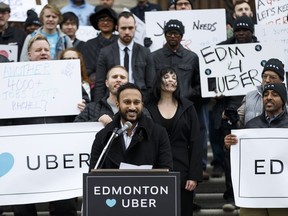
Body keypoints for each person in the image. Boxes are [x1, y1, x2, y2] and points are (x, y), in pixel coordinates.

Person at [10, 34, 78, 216]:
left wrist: (82, 105)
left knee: (64, 202)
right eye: (38, 50)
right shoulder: (13, 80)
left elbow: (81, 105)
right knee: (23, 202)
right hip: (25, 151)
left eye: (46, 50)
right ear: (29, 54)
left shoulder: (66, 76)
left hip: (58, 151)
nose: (43, 53)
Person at [209, 15, 259, 212]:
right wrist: (216, 91)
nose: (241, 33)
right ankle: (231, 195)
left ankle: (253, 194)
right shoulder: (220, 50)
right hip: (228, 112)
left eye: (245, 30)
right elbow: (210, 80)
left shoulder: (260, 49)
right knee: (230, 157)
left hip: (256, 111)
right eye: (238, 30)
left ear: (251, 32)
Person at [224, 83, 288, 216]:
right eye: (265, 94)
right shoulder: (251, 125)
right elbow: (244, 161)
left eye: (274, 95)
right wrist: (229, 145)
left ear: (284, 99)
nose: (268, 98)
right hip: (254, 197)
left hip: (283, 198)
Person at [146, 67, 202, 216]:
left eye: (174, 77)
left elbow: (196, 141)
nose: (171, 80)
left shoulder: (188, 107)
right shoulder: (147, 107)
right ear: (158, 80)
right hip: (155, 171)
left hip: (183, 171)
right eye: (167, 76)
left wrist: (194, 175)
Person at [89, 82, 173, 171]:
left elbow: (166, 174)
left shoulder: (159, 134)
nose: (132, 107)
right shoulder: (103, 137)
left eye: (136, 102)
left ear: (142, 105)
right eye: (127, 102)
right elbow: (94, 177)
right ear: (118, 104)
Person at [94, 11, 155, 103]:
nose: (127, 32)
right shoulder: (105, 52)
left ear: (135, 28)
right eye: (123, 28)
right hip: (112, 101)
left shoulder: (145, 52)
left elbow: (151, 84)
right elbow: (100, 84)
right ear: (117, 28)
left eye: (130, 28)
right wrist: (97, 108)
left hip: (140, 101)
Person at [81, 6, 118, 83]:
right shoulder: (89, 44)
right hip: (97, 83)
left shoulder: (120, 41)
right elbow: (87, 69)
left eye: (109, 20)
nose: (105, 23)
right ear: (97, 23)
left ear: (114, 23)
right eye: (102, 20)